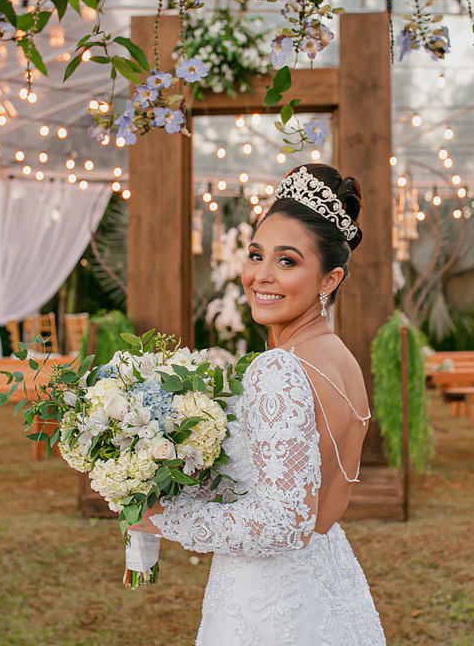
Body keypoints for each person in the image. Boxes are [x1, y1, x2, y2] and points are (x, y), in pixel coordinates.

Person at [130, 163, 386, 645]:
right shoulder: (343, 361)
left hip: (267, 604)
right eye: (255, 255)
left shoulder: (278, 370)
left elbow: (283, 522)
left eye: (287, 261)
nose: (261, 276)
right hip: (329, 581)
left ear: (329, 280)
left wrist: (161, 515)